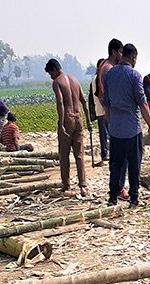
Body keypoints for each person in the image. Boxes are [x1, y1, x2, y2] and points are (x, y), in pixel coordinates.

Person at [103, 43, 150, 207]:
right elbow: (142, 103)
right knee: (134, 164)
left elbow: (106, 103)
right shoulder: (135, 76)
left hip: (116, 129)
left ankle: (112, 197)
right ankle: (134, 197)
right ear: (133, 58)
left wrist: (111, 122)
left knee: (115, 164)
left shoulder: (110, 74)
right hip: (132, 128)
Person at [45, 58, 91, 197]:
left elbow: (60, 103)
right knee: (79, 155)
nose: (51, 76)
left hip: (68, 120)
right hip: (79, 118)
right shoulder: (74, 80)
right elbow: (84, 101)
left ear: (54, 69)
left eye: (50, 73)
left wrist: (61, 124)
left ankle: (66, 185)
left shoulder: (57, 82)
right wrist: (88, 121)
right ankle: (83, 186)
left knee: (64, 154)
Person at [97, 39, 129, 199]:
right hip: (114, 116)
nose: (122, 55)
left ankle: (117, 187)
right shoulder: (109, 69)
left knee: (118, 155)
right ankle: (119, 187)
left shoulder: (104, 67)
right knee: (121, 156)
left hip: (111, 115)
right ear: (115, 51)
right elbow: (109, 96)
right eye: (121, 52)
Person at [89, 58, 108, 166]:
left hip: (101, 109)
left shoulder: (98, 79)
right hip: (102, 110)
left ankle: (106, 153)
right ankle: (105, 153)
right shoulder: (97, 80)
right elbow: (98, 96)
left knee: (105, 133)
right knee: (104, 133)